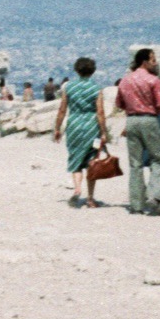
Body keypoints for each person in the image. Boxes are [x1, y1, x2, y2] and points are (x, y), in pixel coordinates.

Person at [116, 48, 160, 216]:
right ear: (144, 62)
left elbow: (119, 103)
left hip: (131, 120)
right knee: (157, 159)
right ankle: (155, 197)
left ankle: (136, 203)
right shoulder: (154, 80)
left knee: (135, 163)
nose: (156, 63)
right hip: (149, 119)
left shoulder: (125, 80)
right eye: (153, 60)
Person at [53, 57, 109, 208]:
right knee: (92, 161)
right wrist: (104, 132)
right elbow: (100, 112)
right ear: (93, 71)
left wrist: (57, 128)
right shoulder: (96, 88)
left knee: (76, 158)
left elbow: (62, 110)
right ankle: (90, 198)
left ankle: (77, 189)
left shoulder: (69, 87)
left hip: (74, 125)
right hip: (92, 127)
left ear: (77, 70)